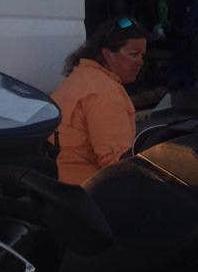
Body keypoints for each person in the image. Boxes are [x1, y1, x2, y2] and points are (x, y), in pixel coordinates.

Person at [51, 17, 148, 185]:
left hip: (57, 183)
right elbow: (117, 166)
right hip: (85, 192)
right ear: (107, 54)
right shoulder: (105, 93)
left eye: (142, 55)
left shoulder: (80, 76)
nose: (141, 62)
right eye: (133, 55)